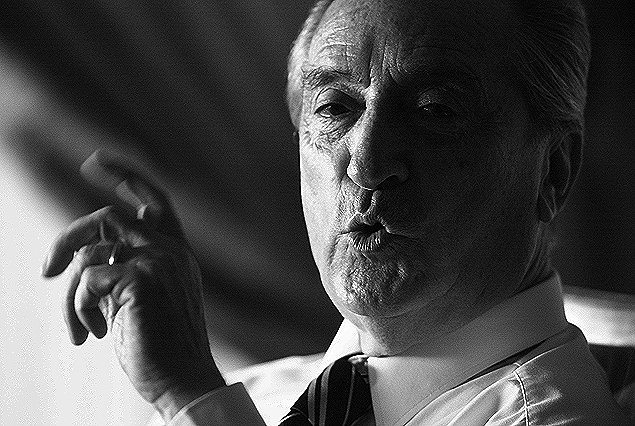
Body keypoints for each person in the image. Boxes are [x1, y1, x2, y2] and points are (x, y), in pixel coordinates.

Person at [41, 0, 633, 424]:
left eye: (434, 110)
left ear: (553, 171)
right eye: (335, 107)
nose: (366, 161)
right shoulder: (261, 396)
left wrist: (191, 399)